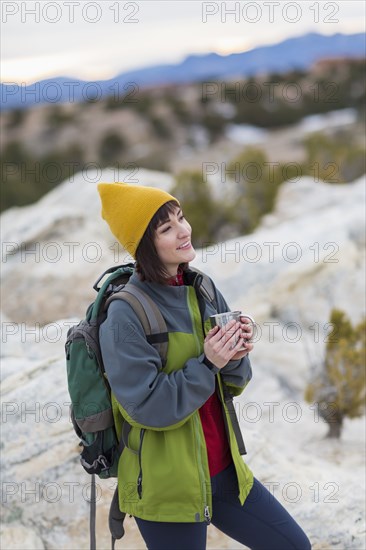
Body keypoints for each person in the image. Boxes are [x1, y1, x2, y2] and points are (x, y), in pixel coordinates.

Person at [97, 182, 311, 550]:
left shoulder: (202, 287)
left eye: (181, 217)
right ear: (145, 246)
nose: (184, 230)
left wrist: (235, 355)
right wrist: (208, 362)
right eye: (167, 228)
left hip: (223, 472)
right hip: (168, 489)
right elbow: (148, 408)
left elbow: (232, 384)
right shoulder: (125, 313)